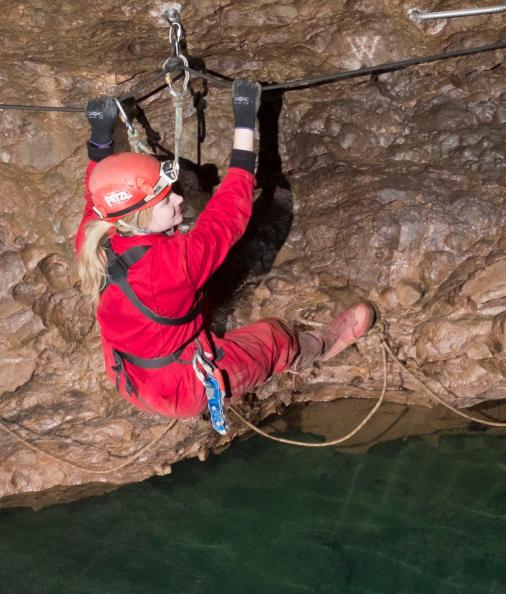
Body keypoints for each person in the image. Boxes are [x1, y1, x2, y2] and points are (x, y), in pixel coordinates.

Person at [75, 80, 374, 426]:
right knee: (273, 337)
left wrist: (101, 133)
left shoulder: (96, 237)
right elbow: (230, 212)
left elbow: (95, 191)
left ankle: (197, 327)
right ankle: (320, 346)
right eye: (165, 200)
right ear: (138, 217)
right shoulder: (172, 266)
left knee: (200, 297)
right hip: (180, 387)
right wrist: (245, 119)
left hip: (126, 371)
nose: (179, 199)